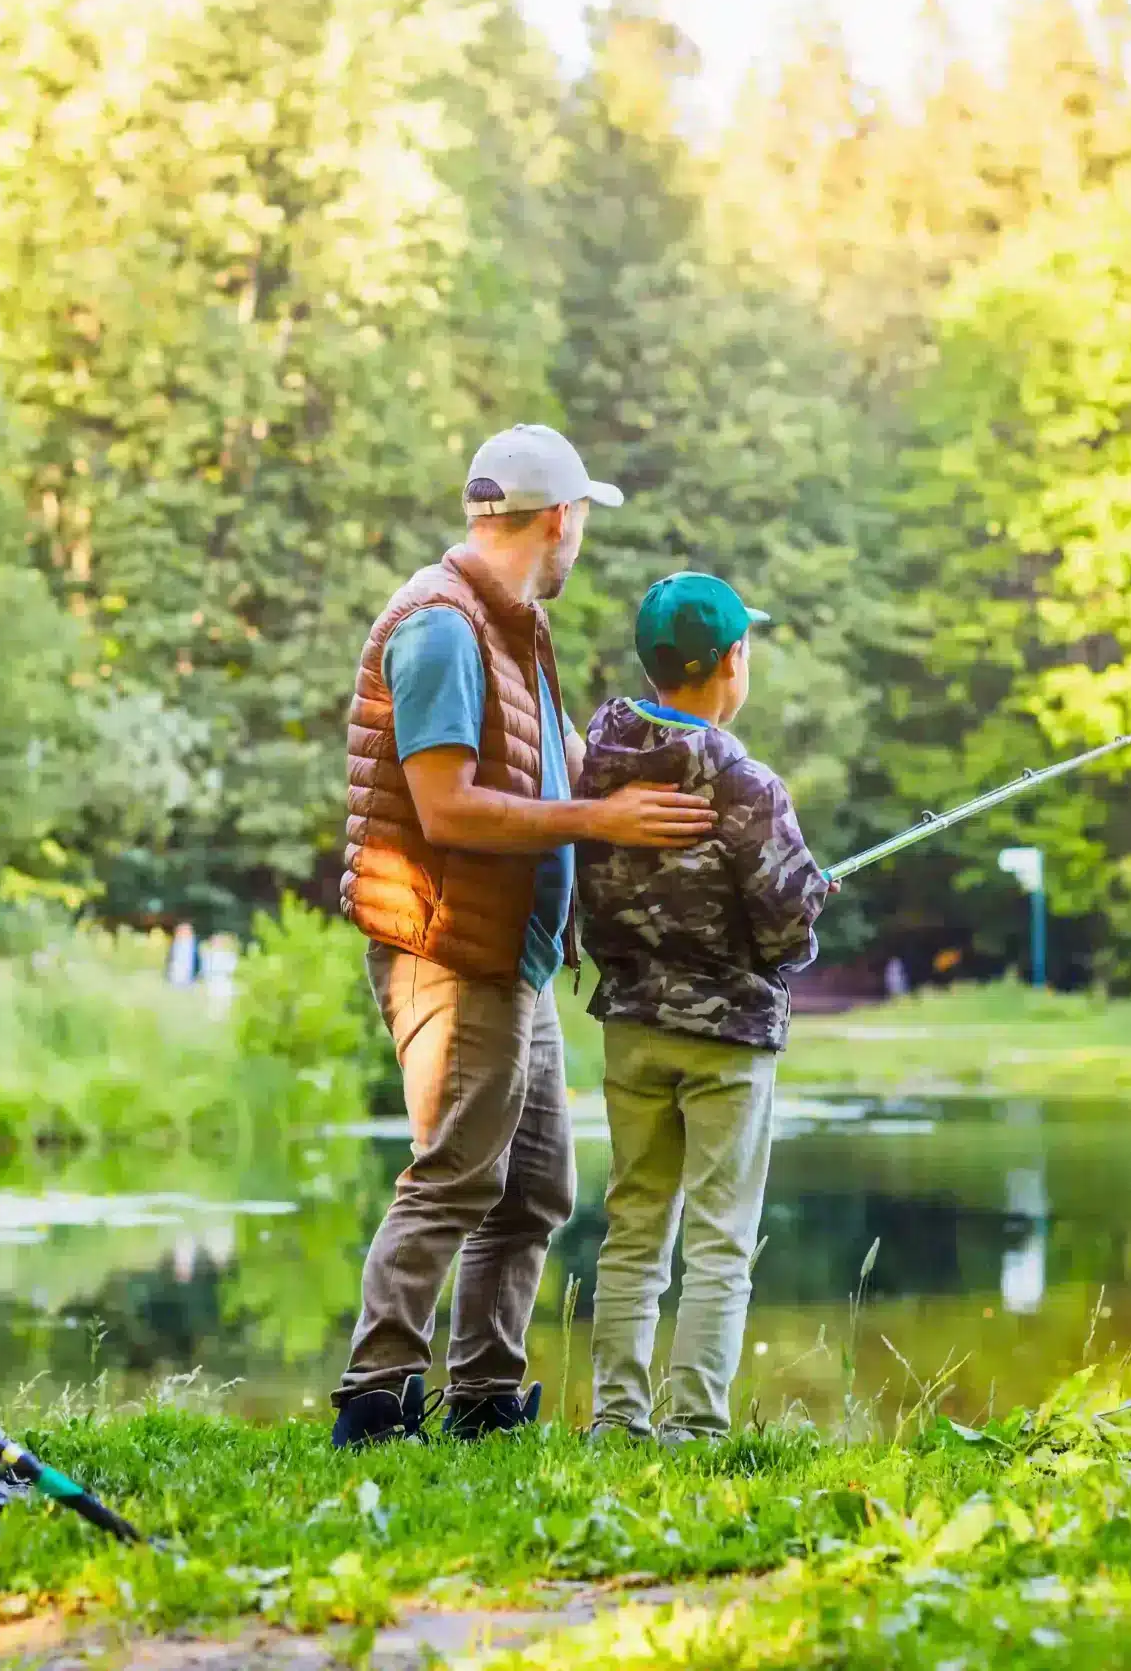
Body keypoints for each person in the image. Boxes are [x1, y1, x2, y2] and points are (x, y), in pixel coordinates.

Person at [331, 425, 719, 1448]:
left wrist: (674, 789)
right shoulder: (440, 630)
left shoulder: (511, 626)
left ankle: (485, 1402)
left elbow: (559, 767)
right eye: (582, 519)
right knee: (458, 1170)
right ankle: (375, 1398)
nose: (579, 537)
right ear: (557, 519)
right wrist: (601, 823)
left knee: (535, 1185)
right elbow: (449, 808)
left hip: (516, 956)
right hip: (450, 952)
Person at [574, 572, 830, 1445]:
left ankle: (616, 1419)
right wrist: (810, 903)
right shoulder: (746, 783)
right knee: (719, 1239)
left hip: (631, 1031)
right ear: (732, 661)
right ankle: (694, 1428)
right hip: (727, 1041)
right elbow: (790, 924)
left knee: (634, 1227)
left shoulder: (597, 762)